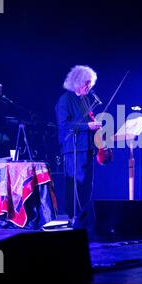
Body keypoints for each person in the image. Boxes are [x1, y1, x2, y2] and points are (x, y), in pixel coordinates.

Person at [55, 65, 102, 228]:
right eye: (86, 83)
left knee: (87, 184)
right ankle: (73, 216)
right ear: (77, 82)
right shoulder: (65, 100)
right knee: (76, 183)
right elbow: (64, 125)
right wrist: (87, 126)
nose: (89, 87)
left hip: (87, 147)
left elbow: (87, 122)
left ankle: (84, 216)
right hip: (73, 148)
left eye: (91, 83)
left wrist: (94, 126)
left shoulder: (85, 100)